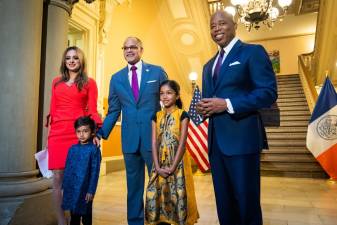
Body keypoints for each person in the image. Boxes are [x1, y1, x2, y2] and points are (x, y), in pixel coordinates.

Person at [196, 11, 277, 225]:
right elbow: (211, 100)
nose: (217, 29)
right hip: (216, 144)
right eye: (213, 26)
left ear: (235, 25)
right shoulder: (208, 66)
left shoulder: (252, 52)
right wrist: (205, 108)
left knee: (246, 202)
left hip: (242, 141)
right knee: (224, 203)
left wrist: (228, 104)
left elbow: (268, 92)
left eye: (222, 24)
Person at [96, 36, 167, 225]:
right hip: (129, 140)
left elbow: (169, 102)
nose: (129, 50)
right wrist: (101, 133)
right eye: (125, 47)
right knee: (133, 187)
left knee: (159, 183)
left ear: (141, 50)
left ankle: (160, 220)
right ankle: (135, 221)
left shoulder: (157, 72)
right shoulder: (116, 78)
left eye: (133, 47)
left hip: (153, 139)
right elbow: (113, 110)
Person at [47, 46, 102, 225]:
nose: (71, 61)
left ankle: (75, 217)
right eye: (68, 58)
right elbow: (52, 111)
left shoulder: (89, 82)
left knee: (77, 178)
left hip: (77, 134)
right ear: (64, 61)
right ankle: (62, 220)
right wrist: (49, 138)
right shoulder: (56, 82)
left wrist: (96, 133)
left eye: (75, 58)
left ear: (81, 61)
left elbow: (92, 109)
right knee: (57, 178)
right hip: (57, 134)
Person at [145, 80, 199, 225]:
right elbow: (154, 142)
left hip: (177, 163)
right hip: (159, 164)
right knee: (153, 194)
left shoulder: (183, 115)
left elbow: (182, 143)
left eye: (169, 93)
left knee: (178, 195)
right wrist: (157, 166)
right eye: (162, 93)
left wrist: (173, 166)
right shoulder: (155, 116)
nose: (165, 96)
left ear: (177, 95)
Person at [62, 116, 101, 225]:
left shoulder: (94, 149)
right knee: (74, 217)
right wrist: (64, 187)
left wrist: (91, 190)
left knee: (86, 218)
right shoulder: (72, 149)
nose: (81, 134)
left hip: (85, 190)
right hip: (72, 189)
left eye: (85, 131)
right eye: (78, 131)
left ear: (92, 132)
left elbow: (95, 172)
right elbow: (68, 169)